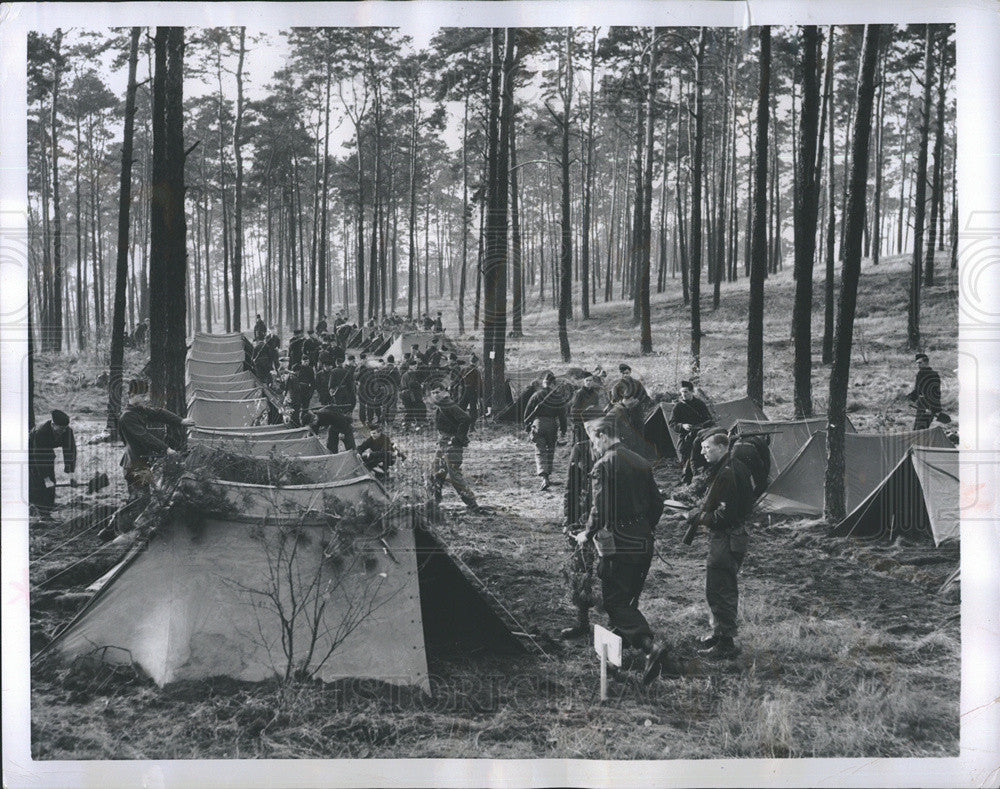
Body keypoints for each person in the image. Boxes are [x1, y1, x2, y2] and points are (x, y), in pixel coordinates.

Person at [574, 417, 669, 684]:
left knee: (614, 601)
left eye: (594, 440)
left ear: (603, 436)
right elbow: (657, 504)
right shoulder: (640, 460)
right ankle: (616, 652)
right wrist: (644, 527)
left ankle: (650, 647)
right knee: (627, 599)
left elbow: (599, 507)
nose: (594, 446)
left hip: (618, 544)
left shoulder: (604, 466)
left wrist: (587, 533)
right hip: (643, 541)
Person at [685, 431, 755, 659]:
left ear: (723, 447)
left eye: (707, 447)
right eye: (703, 447)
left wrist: (698, 516)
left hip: (727, 537)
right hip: (725, 537)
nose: (703, 452)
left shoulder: (728, 472)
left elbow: (725, 516)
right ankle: (719, 633)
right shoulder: (728, 468)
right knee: (715, 587)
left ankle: (726, 644)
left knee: (722, 588)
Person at [118, 379, 194, 496]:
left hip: (141, 463)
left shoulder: (139, 410)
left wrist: (180, 421)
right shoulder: (127, 417)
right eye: (142, 396)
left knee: (144, 498)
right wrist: (166, 449)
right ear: (132, 395)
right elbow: (145, 437)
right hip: (134, 465)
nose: (145, 399)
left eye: (145, 395)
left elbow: (159, 413)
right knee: (139, 501)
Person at [560, 427, 597, 639]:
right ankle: (582, 623)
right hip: (581, 521)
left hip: (605, 525)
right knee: (580, 573)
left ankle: (615, 629)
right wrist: (569, 521)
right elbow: (570, 489)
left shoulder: (616, 454)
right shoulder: (580, 450)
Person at [426, 387, 480, 513]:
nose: (435, 395)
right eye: (433, 392)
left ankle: (472, 504)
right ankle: (434, 503)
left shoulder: (449, 405)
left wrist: (457, 439)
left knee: (454, 475)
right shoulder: (442, 405)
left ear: (445, 392)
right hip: (443, 443)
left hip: (452, 445)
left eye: (438, 392)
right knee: (436, 472)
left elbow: (466, 419)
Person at [523, 371, 568, 490]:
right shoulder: (558, 397)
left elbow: (527, 412)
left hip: (538, 425)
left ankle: (544, 478)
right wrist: (563, 430)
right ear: (553, 384)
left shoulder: (537, 395)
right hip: (552, 426)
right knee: (550, 451)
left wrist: (527, 425)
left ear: (544, 383)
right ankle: (547, 476)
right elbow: (563, 416)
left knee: (540, 451)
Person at [28, 409, 77, 512]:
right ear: (53, 424)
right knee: (38, 480)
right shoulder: (41, 432)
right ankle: (38, 509)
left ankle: (48, 508)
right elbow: (39, 458)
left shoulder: (67, 431)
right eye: (60, 429)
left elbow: (70, 453)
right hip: (31, 450)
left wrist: (71, 475)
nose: (63, 431)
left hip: (47, 450)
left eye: (65, 429)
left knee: (51, 481)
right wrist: (46, 479)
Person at [669, 381, 715, 482]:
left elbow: (709, 420)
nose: (684, 394)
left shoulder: (700, 404)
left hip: (700, 435)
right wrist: (683, 426)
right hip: (686, 437)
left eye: (686, 392)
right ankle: (687, 480)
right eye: (682, 392)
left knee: (702, 458)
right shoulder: (678, 406)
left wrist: (700, 426)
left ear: (692, 391)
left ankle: (702, 479)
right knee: (686, 459)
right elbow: (672, 423)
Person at [907, 353, 942, 430]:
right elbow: (917, 391)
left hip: (929, 406)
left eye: (920, 363)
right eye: (917, 363)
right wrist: (908, 398)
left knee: (921, 430)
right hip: (921, 405)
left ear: (926, 363)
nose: (918, 365)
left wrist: (930, 408)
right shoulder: (920, 374)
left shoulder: (933, 375)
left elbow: (935, 393)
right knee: (917, 430)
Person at [569, 375, 605, 444]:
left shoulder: (595, 394)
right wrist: (580, 421)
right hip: (581, 424)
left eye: (590, 380)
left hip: (593, 423)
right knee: (582, 445)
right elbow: (574, 410)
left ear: (593, 382)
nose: (588, 382)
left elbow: (596, 408)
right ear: (584, 381)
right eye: (587, 380)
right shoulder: (579, 393)